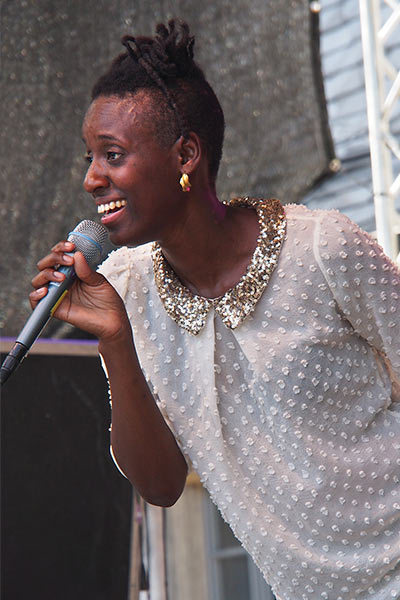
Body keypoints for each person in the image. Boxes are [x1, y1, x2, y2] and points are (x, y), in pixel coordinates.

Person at [30, 19, 400, 600]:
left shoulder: (323, 249)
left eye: (113, 155)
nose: (91, 178)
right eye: (90, 158)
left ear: (186, 154)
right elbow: (161, 485)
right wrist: (115, 340)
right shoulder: (126, 289)